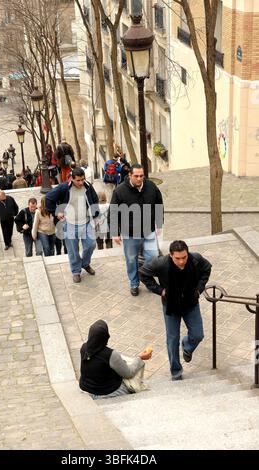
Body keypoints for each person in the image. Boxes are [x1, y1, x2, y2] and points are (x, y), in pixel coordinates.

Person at [139, 240, 212, 381]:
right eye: (177, 258)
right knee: (172, 340)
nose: (181, 261)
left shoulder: (195, 259)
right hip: (171, 306)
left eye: (184, 257)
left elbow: (207, 268)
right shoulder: (161, 263)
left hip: (191, 303)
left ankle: (187, 346)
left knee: (198, 335)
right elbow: (143, 273)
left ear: (187, 253)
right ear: (171, 255)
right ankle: (176, 371)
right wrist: (160, 290)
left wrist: (199, 289)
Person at [108, 164, 164, 296]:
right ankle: (134, 283)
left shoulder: (151, 187)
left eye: (141, 176)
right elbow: (113, 212)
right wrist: (115, 232)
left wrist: (159, 223)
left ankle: (147, 280)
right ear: (130, 176)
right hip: (130, 234)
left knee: (153, 257)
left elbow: (159, 204)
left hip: (148, 230)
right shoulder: (119, 191)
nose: (139, 179)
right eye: (136, 176)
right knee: (131, 260)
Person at [45, 167, 99, 283]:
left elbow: (95, 200)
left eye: (82, 180)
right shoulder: (64, 188)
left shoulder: (88, 186)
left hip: (86, 222)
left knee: (91, 244)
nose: (81, 182)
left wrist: (96, 216)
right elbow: (48, 197)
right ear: (72, 179)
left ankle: (85, 263)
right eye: (78, 180)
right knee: (73, 250)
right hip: (69, 224)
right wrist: (56, 212)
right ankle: (76, 271)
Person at [79, 320, 152, 399]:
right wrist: (140, 358)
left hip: (87, 389)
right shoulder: (111, 354)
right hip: (107, 392)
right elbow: (128, 373)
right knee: (130, 383)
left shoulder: (84, 348)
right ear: (106, 337)